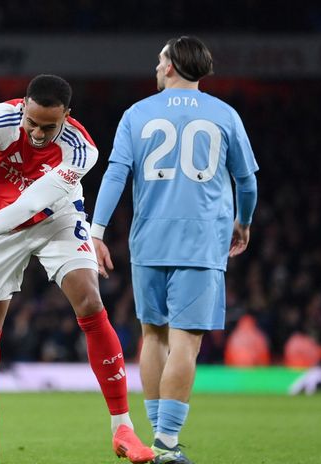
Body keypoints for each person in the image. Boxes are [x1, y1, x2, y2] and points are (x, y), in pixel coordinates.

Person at [0, 74, 154, 464]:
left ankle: (123, 427)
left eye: (49, 126)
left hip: (55, 219)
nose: (38, 133)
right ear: (22, 107)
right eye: (31, 122)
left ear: (67, 115)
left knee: (90, 303)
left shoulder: (82, 149)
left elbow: (32, 203)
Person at [90, 36, 259, 464]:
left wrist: (96, 231)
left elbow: (116, 175)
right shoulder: (225, 114)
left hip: (148, 239)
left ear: (169, 67)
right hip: (203, 241)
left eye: (159, 59)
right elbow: (248, 181)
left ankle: (154, 438)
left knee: (153, 335)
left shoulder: (137, 113)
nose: (156, 65)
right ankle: (166, 443)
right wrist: (244, 221)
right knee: (186, 341)